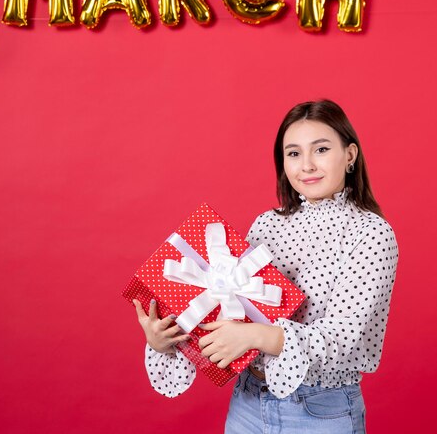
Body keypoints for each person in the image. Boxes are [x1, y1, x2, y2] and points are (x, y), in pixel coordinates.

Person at [133, 99, 398, 434]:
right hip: (248, 404)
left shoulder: (371, 233)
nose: (307, 165)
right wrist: (168, 339)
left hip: (320, 412)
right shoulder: (267, 225)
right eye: (293, 153)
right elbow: (229, 316)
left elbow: (342, 336)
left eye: (321, 149)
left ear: (349, 156)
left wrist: (257, 334)